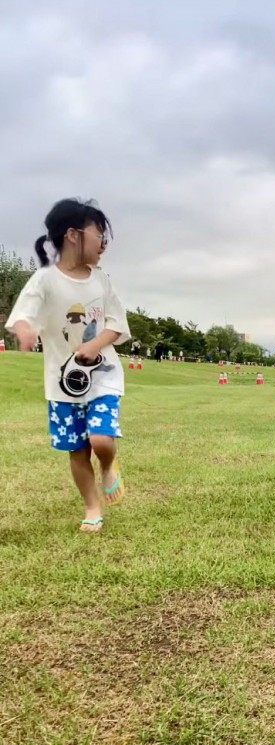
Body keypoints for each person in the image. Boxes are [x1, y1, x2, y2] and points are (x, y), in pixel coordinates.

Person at [7, 198, 130, 533]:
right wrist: (25, 330)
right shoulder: (44, 280)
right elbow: (24, 314)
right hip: (61, 385)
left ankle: (108, 464)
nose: (104, 244)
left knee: (101, 439)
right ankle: (92, 508)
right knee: (77, 450)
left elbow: (117, 325)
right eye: (99, 234)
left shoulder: (102, 281)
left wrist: (94, 344)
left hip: (103, 376)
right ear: (73, 235)